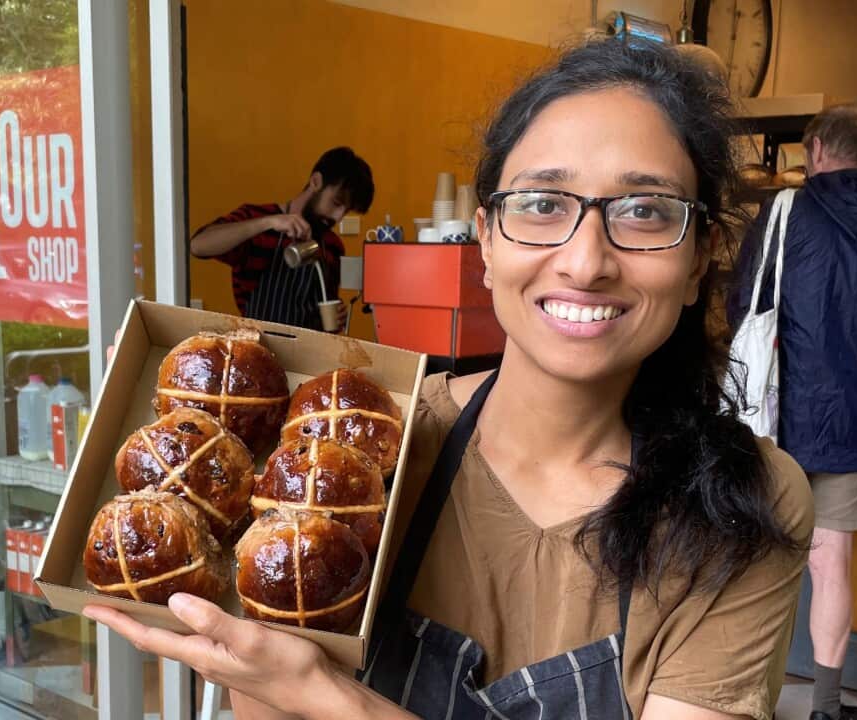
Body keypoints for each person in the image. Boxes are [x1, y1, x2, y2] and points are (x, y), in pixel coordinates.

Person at [86, 39, 812, 719]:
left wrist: (333, 699)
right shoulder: (357, 454)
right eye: (542, 203)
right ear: (486, 242)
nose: (587, 260)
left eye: (646, 210)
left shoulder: (745, 507)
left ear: (699, 258)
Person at [729, 105, 857, 720]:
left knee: (762, 556)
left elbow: (746, 303)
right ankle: (825, 707)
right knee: (831, 561)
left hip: (779, 412)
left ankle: (745, 699)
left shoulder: (786, 211)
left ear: (814, 147)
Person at [190, 146, 374, 331]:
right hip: (260, 344)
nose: (338, 217)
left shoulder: (332, 245)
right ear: (316, 181)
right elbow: (198, 245)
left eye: (346, 210)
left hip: (308, 352)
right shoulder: (258, 220)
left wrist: (335, 317)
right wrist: (266, 223)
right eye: (336, 203)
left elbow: (326, 308)